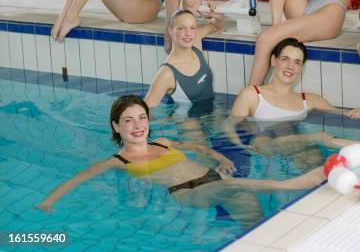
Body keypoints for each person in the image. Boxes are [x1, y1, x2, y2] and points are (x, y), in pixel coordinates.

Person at [35, 95, 324, 226]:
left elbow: (199, 147)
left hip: (215, 179)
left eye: (142, 118)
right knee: (242, 184)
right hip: (188, 192)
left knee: (257, 222)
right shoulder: (118, 160)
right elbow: (77, 179)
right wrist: (49, 201)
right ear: (116, 127)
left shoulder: (163, 142)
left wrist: (220, 156)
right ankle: (296, 183)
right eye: (129, 120)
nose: (138, 125)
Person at [225, 38, 354, 157]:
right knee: (319, 138)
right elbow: (228, 126)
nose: (290, 67)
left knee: (315, 156)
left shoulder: (309, 100)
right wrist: (241, 146)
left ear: (301, 68)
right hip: (265, 146)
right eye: (285, 59)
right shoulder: (252, 95)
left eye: (297, 62)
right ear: (273, 60)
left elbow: (346, 115)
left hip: (298, 147)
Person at [145, 8, 223, 110]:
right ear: (170, 31)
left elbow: (217, 25)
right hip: (188, 122)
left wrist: (213, 13)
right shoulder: (166, 73)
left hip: (211, 113)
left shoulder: (195, 41)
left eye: (192, 28)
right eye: (181, 28)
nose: (188, 33)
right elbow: (146, 109)